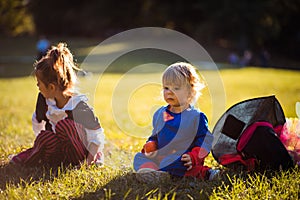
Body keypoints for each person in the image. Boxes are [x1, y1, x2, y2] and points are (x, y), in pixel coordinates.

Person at [10, 43, 104, 168]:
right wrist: (44, 143)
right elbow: (38, 124)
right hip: (60, 150)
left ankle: (74, 163)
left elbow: (96, 137)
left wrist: (88, 162)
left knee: (65, 126)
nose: (37, 86)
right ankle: (42, 159)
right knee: (45, 136)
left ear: (52, 87)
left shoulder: (78, 106)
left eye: (39, 83)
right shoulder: (44, 100)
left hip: (82, 153)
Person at [133, 62, 219, 182]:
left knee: (175, 163)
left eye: (176, 88)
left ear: (190, 91)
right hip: (161, 156)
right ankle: (153, 172)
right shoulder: (159, 114)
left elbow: (205, 141)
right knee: (138, 158)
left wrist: (193, 157)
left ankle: (204, 172)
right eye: (166, 88)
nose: (169, 92)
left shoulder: (195, 116)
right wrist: (151, 145)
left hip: (181, 159)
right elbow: (155, 136)